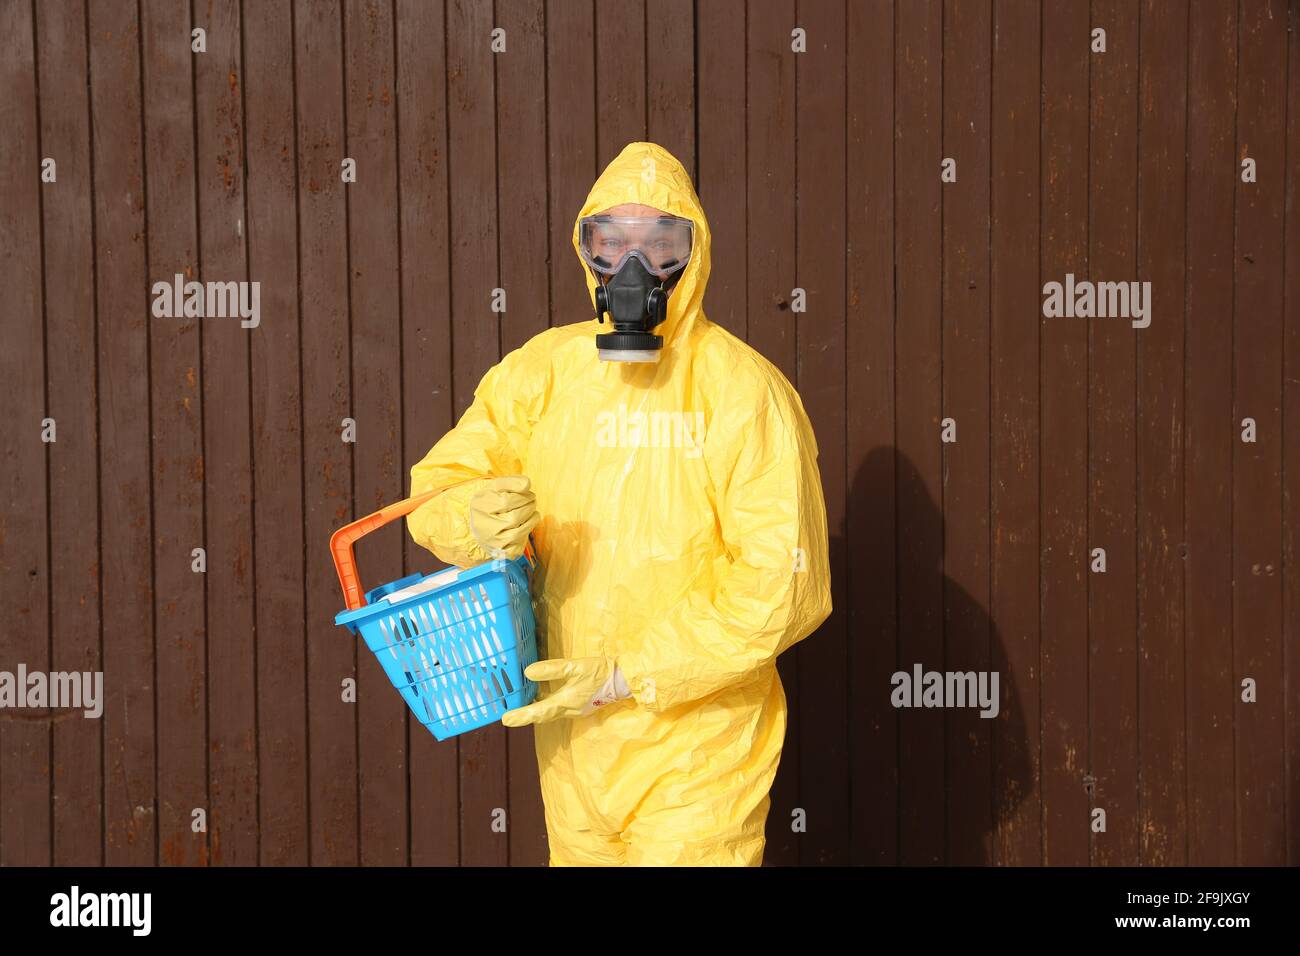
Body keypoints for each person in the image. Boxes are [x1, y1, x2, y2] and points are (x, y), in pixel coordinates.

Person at [407, 141, 832, 866]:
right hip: (574, 743)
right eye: (611, 241)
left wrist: (630, 671)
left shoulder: (743, 392)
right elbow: (436, 491)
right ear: (587, 251)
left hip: (700, 749)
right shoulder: (544, 373)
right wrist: (469, 516)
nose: (633, 268)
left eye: (660, 242)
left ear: (692, 253)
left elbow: (782, 585)